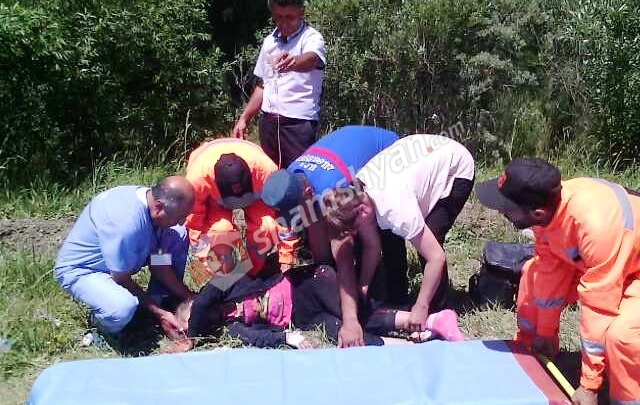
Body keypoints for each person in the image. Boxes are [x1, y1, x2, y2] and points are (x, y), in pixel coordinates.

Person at [475, 158, 640, 405]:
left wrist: (589, 386)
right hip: (609, 263)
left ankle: (627, 400)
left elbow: (598, 307)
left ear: (537, 213)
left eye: (507, 208)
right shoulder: (546, 213)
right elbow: (548, 273)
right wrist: (545, 333)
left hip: (631, 270)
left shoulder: (595, 226)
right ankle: (531, 353)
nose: (501, 212)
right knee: (532, 275)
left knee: (622, 335)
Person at [323, 134, 475, 347]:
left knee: (431, 240)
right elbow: (372, 246)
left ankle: (438, 314)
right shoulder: (357, 193)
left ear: (362, 210)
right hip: (421, 158)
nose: (355, 234)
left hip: (455, 166)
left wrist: (420, 306)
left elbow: (436, 258)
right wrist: (363, 285)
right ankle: (409, 303)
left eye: (354, 229)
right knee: (398, 234)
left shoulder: (395, 208)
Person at [167, 264, 464, 353]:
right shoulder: (230, 326)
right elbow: (256, 337)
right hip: (304, 316)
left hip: (308, 284)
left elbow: (205, 300)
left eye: (196, 316)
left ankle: (433, 319)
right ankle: (418, 344)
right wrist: (287, 337)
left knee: (355, 316)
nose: (205, 317)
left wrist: (189, 335)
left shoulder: (224, 283)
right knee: (347, 337)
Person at [54, 176, 195, 339]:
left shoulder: (153, 205)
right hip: (85, 270)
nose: (182, 222)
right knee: (122, 308)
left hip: (120, 263)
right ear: (158, 207)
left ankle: (161, 298)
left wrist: (189, 298)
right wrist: (160, 314)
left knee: (177, 234)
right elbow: (121, 279)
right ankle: (101, 328)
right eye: (179, 217)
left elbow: (159, 264)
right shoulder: (127, 225)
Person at [261, 125, 399, 265]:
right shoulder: (292, 176)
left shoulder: (335, 189)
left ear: (309, 192)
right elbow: (313, 220)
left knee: (386, 228)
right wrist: (322, 268)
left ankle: (396, 274)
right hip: (348, 143)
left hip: (390, 151)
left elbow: (346, 240)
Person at [184, 138, 298, 282]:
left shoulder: (267, 172)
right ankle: (233, 278)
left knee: (267, 227)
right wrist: (213, 263)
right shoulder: (196, 181)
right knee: (220, 231)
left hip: (258, 191)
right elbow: (195, 227)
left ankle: (253, 273)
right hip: (213, 199)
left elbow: (285, 218)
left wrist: (287, 260)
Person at [232, 0, 327, 168]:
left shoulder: (312, 38)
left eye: (289, 17)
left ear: (301, 13)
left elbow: (312, 59)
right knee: (270, 174)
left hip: (298, 125)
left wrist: (294, 61)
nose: (283, 23)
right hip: (268, 124)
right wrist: (244, 118)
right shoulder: (269, 42)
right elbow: (263, 85)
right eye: (278, 17)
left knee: (299, 177)